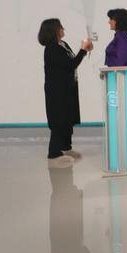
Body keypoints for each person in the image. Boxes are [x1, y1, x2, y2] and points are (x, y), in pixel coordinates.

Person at [38, 18, 93, 168]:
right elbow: (70, 64)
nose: (63, 29)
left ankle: (66, 148)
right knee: (59, 120)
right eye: (60, 27)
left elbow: (73, 60)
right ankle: (54, 153)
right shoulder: (51, 48)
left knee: (68, 118)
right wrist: (82, 49)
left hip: (68, 88)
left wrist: (85, 50)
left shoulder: (62, 45)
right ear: (53, 30)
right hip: (57, 91)